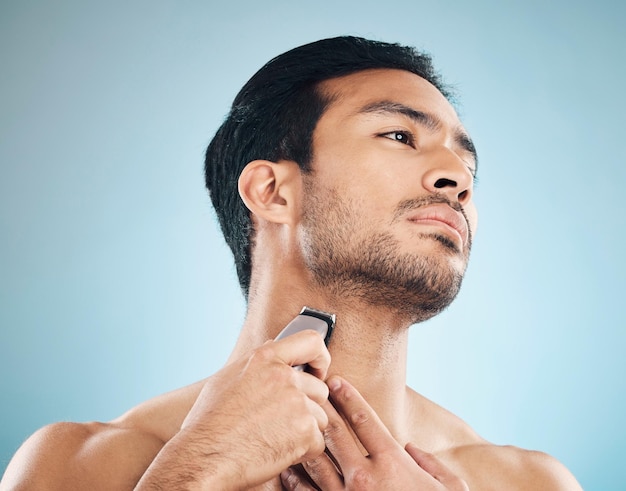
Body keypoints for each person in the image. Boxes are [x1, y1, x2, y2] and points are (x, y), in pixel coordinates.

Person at [0, 36, 582, 490]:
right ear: (272, 192)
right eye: (400, 136)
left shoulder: (528, 483)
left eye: (469, 168)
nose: (457, 181)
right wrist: (195, 474)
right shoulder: (78, 469)